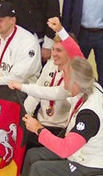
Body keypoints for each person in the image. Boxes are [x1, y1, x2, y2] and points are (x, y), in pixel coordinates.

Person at [0, 57, 103, 176]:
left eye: (65, 75)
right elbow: (49, 92)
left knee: (40, 169)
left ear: (76, 83)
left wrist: (39, 129)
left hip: (88, 164)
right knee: (33, 155)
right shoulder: (91, 86)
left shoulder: (89, 115)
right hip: (78, 153)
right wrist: (21, 87)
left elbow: (65, 148)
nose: (62, 76)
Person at [20, 17, 84, 148]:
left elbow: (59, 95)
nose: (54, 54)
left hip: (60, 129)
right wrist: (25, 116)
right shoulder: (49, 66)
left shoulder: (75, 74)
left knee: (33, 155)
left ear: (69, 52)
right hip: (40, 123)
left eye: (59, 50)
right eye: (53, 49)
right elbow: (35, 93)